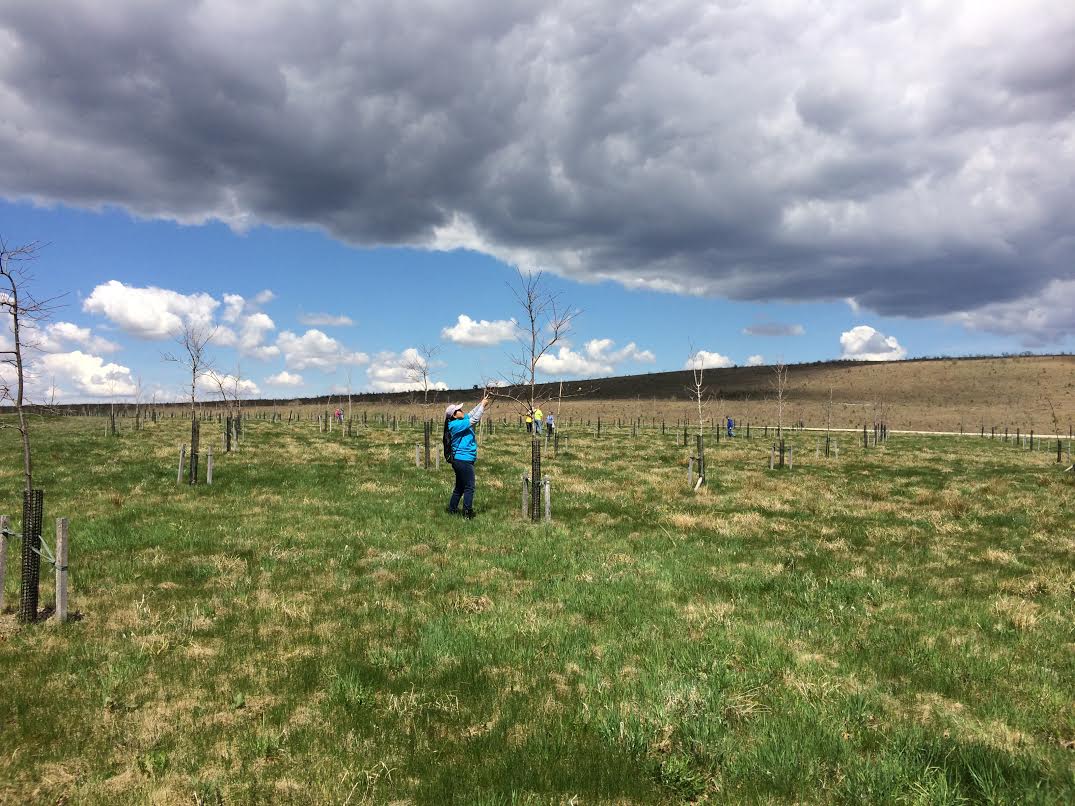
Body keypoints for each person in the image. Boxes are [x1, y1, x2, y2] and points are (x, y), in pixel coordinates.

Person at [443, 394, 491, 519]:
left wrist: (481, 403)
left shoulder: (460, 421)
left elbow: (471, 414)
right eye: (459, 410)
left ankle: (452, 510)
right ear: (454, 415)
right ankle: (467, 513)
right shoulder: (455, 425)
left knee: (460, 487)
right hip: (462, 460)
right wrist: (483, 406)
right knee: (470, 486)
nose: (462, 410)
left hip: (464, 460)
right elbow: (474, 419)